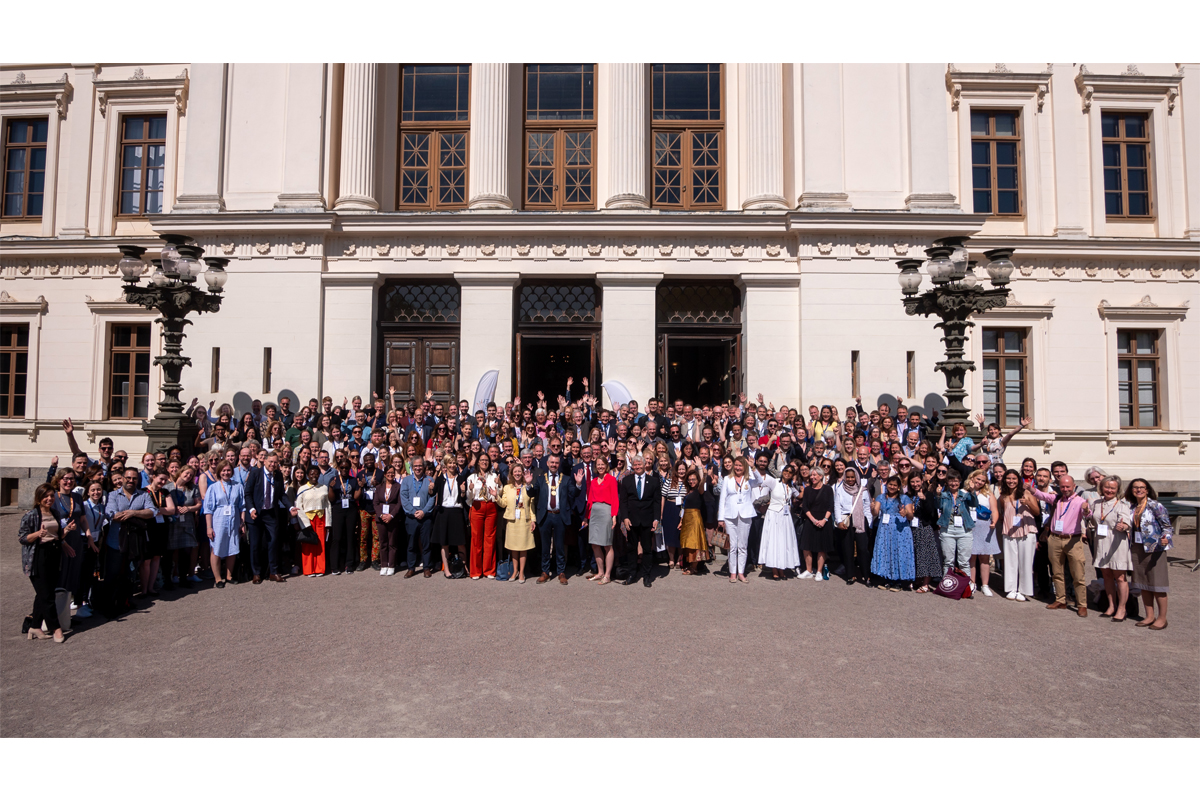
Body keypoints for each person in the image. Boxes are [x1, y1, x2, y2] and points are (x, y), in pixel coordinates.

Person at [1030, 475, 1090, 617]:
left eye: (1068, 487)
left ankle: (1082, 604)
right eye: (1062, 486)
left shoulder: (1080, 501)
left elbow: (1087, 514)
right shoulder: (1057, 498)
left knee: (1078, 573)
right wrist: (1029, 488)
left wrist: (1086, 509)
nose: (1065, 489)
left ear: (1074, 486)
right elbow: (1041, 495)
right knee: (1057, 572)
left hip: (1073, 540)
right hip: (1055, 539)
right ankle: (1060, 600)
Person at [20, 484, 74, 642]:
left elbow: (57, 536)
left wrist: (68, 530)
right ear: (39, 498)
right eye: (46, 496)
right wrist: (37, 534)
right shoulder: (31, 515)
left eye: (51, 496)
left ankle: (35, 627)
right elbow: (22, 538)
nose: (49, 499)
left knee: (44, 592)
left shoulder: (55, 513)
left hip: (54, 554)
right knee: (47, 595)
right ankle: (55, 628)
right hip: (38, 556)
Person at [1126, 478, 1173, 630]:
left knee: (1157, 585)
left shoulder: (1155, 505)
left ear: (1147, 490)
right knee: (1143, 583)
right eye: (1135, 487)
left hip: (1155, 548)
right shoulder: (1132, 506)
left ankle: (1162, 618)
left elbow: (1167, 526)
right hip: (1137, 548)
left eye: (1142, 487)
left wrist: (1166, 538)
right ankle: (1149, 615)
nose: (1138, 490)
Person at [49, 469, 90, 631]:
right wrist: (62, 537)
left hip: (75, 541)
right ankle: (53, 619)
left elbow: (82, 519)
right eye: (65, 479)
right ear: (58, 480)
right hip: (59, 541)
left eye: (72, 479)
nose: (68, 482)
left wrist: (88, 534)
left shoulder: (77, 497)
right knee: (58, 579)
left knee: (72, 579)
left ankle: (65, 618)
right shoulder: (52, 497)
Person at [1089, 475, 1133, 621]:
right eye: (1106, 487)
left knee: (1120, 577)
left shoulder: (1122, 505)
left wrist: (1124, 526)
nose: (1109, 490)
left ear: (1117, 489)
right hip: (1101, 541)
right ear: (1101, 488)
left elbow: (1127, 522)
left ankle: (1122, 608)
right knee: (1106, 575)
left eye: (1112, 488)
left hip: (1116, 542)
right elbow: (1092, 519)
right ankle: (1111, 605)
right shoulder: (1096, 503)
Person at [245, 453, 292, 583]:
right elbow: (247, 493)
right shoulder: (255, 473)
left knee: (273, 542)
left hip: (271, 513)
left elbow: (282, 495)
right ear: (264, 461)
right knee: (255, 544)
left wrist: (290, 507)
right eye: (270, 462)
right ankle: (256, 573)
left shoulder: (277, 476)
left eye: (275, 462)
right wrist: (251, 509)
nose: (272, 464)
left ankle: (273, 571)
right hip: (256, 513)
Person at [995, 469, 1039, 602]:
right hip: (1009, 530)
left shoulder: (1026, 493)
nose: (1011, 481)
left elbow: (1037, 512)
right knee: (1010, 561)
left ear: (1018, 480)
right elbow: (1003, 512)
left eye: (1014, 479)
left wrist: (1028, 503)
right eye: (1008, 479)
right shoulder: (1002, 496)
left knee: (1025, 561)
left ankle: (1023, 590)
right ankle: (1011, 588)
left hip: (1026, 530)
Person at [619, 454, 661, 587]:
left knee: (647, 549)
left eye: (639, 464)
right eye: (635, 465)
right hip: (631, 521)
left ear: (644, 465)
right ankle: (632, 574)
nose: (637, 467)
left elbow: (657, 502)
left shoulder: (653, 481)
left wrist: (656, 519)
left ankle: (646, 576)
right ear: (632, 466)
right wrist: (624, 517)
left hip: (647, 520)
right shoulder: (626, 480)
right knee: (631, 548)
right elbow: (623, 502)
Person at [533, 452, 574, 585]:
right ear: (547, 463)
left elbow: (573, 494)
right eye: (552, 462)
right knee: (545, 546)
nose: (554, 465)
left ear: (559, 464)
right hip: (545, 515)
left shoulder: (566, 479)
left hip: (559, 515)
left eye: (556, 463)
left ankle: (561, 572)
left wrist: (578, 484)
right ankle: (545, 571)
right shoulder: (540, 479)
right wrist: (528, 485)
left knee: (560, 545)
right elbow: (533, 493)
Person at [202, 461, 244, 587]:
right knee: (217, 547)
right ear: (220, 472)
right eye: (224, 470)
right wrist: (209, 527)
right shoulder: (213, 487)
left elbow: (242, 506)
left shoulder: (238, 486)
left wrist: (242, 523)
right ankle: (218, 578)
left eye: (228, 470)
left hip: (234, 518)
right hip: (219, 519)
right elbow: (208, 509)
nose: (226, 473)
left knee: (232, 547)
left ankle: (229, 575)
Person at [871, 474, 915, 591]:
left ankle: (898, 581)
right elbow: (875, 512)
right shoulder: (881, 497)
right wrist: (872, 508)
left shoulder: (905, 498)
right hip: (885, 528)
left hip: (900, 529)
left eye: (895, 485)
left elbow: (911, 516)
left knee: (899, 552)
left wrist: (905, 513)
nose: (892, 487)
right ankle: (887, 579)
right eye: (890, 484)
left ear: (899, 487)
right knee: (886, 552)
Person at [718, 456, 757, 584]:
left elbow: (759, 481)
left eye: (741, 465)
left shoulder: (749, 479)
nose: (738, 468)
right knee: (732, 546)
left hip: (745, 515)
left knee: (743, 545)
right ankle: (732, 572)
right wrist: (720, 518)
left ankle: (741, 572)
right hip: (730, 515)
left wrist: (753, 467)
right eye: (736, 465)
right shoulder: (727, 479)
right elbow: (722, 499)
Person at [834, 467, 875, 586]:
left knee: (863, 550)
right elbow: (837, 506)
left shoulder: (862, 489)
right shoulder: (840, 489)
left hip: (861, 521)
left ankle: (866, 576)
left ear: (856, 477)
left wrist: (869, 522)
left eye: (852, 477)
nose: (850, 479)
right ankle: (850, 575)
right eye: (848, 477)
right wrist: (838, 521)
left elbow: (867, 506)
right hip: (846, 520)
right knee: (848, 550)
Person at [758, 464, 801, 580]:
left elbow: (800, 496)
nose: (787, 473)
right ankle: (774, 569)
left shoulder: (791, 487)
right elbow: (761, 479)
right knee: (774, 541)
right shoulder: (774, 482)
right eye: (786, 470)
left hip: (785, 517)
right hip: (773, 514)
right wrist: (753, 467)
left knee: (783, 542)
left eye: (790, 472)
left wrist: (806, 486)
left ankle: (782, 568)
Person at [496, 462, 536, 583]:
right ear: (512, 474)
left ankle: (522, 573)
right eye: (515, 472)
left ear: (523, 473)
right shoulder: (507, 488)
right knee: (513, 548)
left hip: (524, 520)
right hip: (512, 520)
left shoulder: (528, 487)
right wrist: (496, 496)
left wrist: (533, 520)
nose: (517, 473)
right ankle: (514, 571)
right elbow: (503, 503)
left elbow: (531, 506)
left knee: (523, 547)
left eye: (519, 471)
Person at [582, 454, 619, 585]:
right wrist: (586, 518)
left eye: (602, 464)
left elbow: (615, 498)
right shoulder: (593, 481)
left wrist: (614, 516)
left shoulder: (611, 479)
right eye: (598, 464)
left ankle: (608, 575)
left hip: (606, 512)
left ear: (606, 466)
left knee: (607, 544)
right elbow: (590, 500)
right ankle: (600, 572)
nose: (600, 466)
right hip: (594, 514)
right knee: (595, 543)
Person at [431, 454, 469, 578]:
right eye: (449, 463)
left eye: (454, 463)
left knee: (461, 542)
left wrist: (463, 491)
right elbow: (432, 492)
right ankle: (446, 569)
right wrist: (430, 488)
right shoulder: (441, 479)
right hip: (444, 512)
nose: (452, 465)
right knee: (444, 543)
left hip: (457, 512)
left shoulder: (461, 478)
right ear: (445, 466)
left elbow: (464, 498)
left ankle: (463, 567)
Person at [466, 453, 502, 580]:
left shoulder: (494, 476)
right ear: (478, 462)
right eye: (482, 460)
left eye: (486, 460)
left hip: (491, 507)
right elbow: (468, 498)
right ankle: (475, 571)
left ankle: (489, 570)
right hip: (477, 507)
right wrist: (470, 489)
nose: (484, 462)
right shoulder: (472, 477)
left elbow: (500, 493)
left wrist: (499, 484)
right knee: (476, 539)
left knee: (490, 538)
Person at [141, 470, 176, 597]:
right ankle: (144, 589)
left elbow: (172, 509)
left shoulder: (164, 492)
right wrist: (161, 510)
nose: (163, 482)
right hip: (148, 528)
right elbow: (143, 510)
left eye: (165, 480)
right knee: (146, 559)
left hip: (161, 527)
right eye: (161, 479)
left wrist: (155, 510)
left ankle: (151, 587)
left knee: (157, 557)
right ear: (153, 477)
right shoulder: (143, 491)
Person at [167, 466, 203, 588]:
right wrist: (172, 509)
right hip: (173, 523)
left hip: (187, 522)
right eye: (187, 473)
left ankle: (184, 578)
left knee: (186, 551)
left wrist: (188, 508)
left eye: (191, 475)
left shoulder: (193, 488)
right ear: (181, 472)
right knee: (171, 551)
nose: (188, 476)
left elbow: (198, 504)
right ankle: (170, 578)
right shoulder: (168, 487)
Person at [906, 473, 942, 593]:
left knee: (926, 556)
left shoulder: (928, 494)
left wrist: (924, 500)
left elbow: (931, 512)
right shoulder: (908, 495)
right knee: (915, 555)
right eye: (912, 482)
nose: (915, 484)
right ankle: (917, 579)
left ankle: (926, 584)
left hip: (924, 528)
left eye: (917, 481)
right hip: (911, 528)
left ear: (922, 481)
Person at [936, 471, 977, 579]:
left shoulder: (965, 495)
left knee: (964, 561)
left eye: (956, 481)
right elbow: (937, 506)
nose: (953, 483)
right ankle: (947, 585)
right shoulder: (943, 495)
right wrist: (938, 495)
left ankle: (966, 586)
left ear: (960, 482)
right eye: (951, 481)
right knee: (948, 561)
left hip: (964, 529)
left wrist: (973, 491)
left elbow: (974, 504)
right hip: (948, 529)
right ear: (947, 482)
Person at [400, 457, 436, 578]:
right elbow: (404, 499)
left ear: (424, 466)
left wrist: (424, 512)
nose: (418, 468)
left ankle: (426, 567)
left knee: (426, 544)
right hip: (411, 518)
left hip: (425, 517)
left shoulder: (429, 480)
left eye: (420, 465)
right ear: (412, 467)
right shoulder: (406, 481)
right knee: (411, 544)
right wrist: (414, 511)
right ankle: (411, 568)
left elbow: (432, 498)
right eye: (415, 466)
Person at [798, 467, 835, 582]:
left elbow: (830, 506)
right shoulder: (808, 490)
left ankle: (819, 571)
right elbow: (805, 507)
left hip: (824, 520)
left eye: (815, 475)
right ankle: (809, 570)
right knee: (806, 546)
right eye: (811, 475)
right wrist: (813, 520)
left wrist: (824, 520)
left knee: (822, 547)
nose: (813, 477)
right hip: (811, 520)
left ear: (821, 476)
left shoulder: (828, 489)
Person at [294, 466, 331, 577]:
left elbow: (327, 505)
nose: (314, 476)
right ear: (307, 475)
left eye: (316, 474)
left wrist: (328, 523)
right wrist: (305, 524)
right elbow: (299, 506)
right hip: (308, 519)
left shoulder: (324, 487)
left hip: (320, 518)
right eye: (311, 474)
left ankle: (320, 568)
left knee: (320, 544)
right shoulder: (302, 488)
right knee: (308, 544)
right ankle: (309, 569)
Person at [967, 469, 999, 597]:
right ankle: (972, 582)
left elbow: (994, 510)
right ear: (972, 478)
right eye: (978, 479)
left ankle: (985, 585)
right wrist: (970, 490)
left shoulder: (989, 494)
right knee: (971, 557)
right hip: (970, 526)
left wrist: (994, 522)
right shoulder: (965, 491)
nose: (980, 482)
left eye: (982, 480)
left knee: (984, 557)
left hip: (985, 526)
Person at [678, 468, 710, 574]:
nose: (692, 482)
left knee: (695, 542)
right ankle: (691, 565)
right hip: (686, 518)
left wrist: (704, 476)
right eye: (690, 480)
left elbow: (701, 485)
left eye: (694, 479)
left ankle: (694, 567)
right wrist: (681, 521)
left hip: (695, 518)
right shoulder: (688, 491)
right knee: (688, 543)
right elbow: (683, 507)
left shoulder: (698, 490)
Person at [659, 458, 688, 570]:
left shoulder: (687, 481)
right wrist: (661, 512)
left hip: (682, 509)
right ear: (676, 470)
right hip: (670, 508)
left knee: (680, 535)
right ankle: (671, 559)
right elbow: (663, 496)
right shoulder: (670, 481)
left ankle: (679, 559)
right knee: (671, 535)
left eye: (683, 469)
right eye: (679, 469)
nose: (681, 471)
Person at [373, 465, 402, 576]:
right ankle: (384, 564)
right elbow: (375, 503)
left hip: (393, 518)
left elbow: (399, 503)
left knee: (392, 543)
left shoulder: (398, 486)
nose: (390, 475)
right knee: (383, 542)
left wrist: (391, 515)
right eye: (388, 473)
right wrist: (381, 515)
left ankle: (391, 565)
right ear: (385, 474)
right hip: (381, 518)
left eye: (392, 473)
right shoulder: (379, 487)